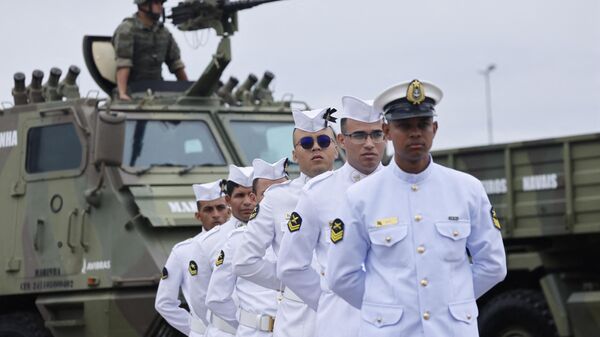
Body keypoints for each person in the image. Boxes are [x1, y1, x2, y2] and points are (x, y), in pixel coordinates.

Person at [326, 79, 507, 337]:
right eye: (404, 125)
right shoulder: (361, 197)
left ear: (434, 128)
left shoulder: (467, 189)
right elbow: (341, 276)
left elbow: (493, 265)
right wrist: (386, 307)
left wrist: (449, 301)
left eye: (422, 124)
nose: (415, 133)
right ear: (387, 131)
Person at [277, 96, 386, 337]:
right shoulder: (318, 193)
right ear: (342, 140)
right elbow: (290, 267)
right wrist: (330, 299)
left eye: (376, 134)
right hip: (344, 326)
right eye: (359, 135)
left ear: (386, 135)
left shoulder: (404, 188)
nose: (369, 143)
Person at [233, 108, 339, 337]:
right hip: (297, 319)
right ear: (294, 153)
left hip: (346, 311)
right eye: (307, 143)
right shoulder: (277, 198)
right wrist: (292, 281)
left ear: (337, 148)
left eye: (323, 140)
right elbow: (244, 261)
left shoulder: (356, 193)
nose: (316, 147)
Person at [205, 158, 289, 337]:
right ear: (255, 198)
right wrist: (247, 322)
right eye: (267, 194)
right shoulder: (237, 241)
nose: (276, 199)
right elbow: (217, 298)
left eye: (283, 191)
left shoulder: (305, 235)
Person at [155, 180, 230, 336]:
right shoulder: (183, 251)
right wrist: (196, 328)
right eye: (208, 209)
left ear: (228, 210)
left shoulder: (243, 242)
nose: (216, 214)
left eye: (220, 208)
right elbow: (164, 303)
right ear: (198, 215)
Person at [190, 165, 255, 337]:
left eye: (251, 194)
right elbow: (199, 299)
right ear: (227, 200)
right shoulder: (207, 243)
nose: (247, 201)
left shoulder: (273, 234)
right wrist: (239, 325)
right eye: (240, 195)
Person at [112, 0, 188, 100]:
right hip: (133, 90)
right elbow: (124, 63)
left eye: (161, 4)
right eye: (156, 3)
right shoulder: (127, 29)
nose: (161, 7)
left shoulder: (163, 32)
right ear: (144, 5)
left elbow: (176, 63)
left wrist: (188, 90)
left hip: (157, 90)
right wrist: (122, 92)